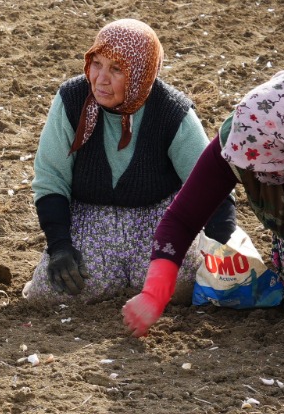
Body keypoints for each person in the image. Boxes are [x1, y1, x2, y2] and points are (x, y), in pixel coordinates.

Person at [123, 69, 284, 348]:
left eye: (265, 169)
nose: (254, 176)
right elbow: (182, 217)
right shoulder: (242, 136)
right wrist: (154, 293)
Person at [23, 19, 235, 300]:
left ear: (141, 73)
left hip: (158, 219)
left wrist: (218, 251)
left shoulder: (171, 111)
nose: (100, 79)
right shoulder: (72, 100)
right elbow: (51, 180)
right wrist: (59, 246)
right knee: (55, 292)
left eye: (117, 69)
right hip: (91, 216)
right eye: (96, 63)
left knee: (180, 287)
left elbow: (213, 188)